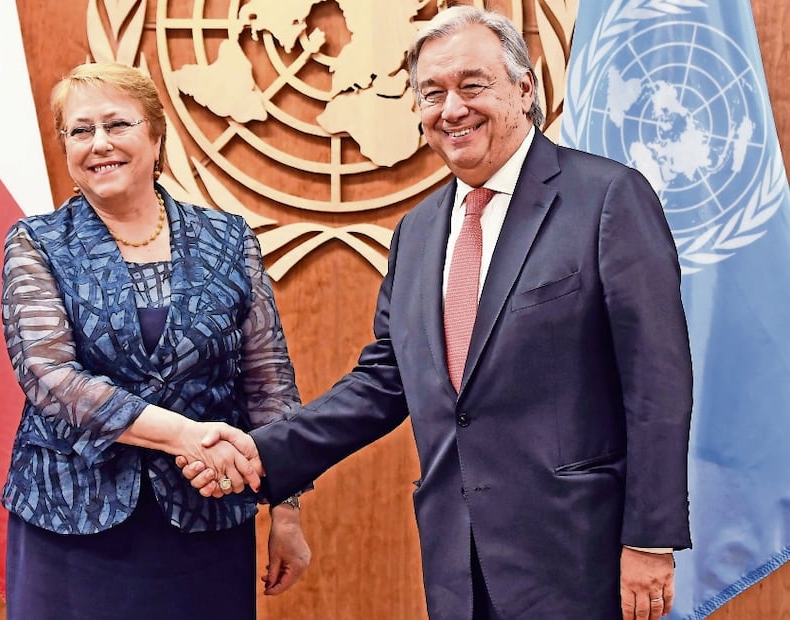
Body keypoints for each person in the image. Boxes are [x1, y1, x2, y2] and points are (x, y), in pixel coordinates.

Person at [181, 7, 693, 620]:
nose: (452, 108)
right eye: (432, 93)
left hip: (579, 558)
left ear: (523, 89)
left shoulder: (607, 198)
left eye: (472, 85)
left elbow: (657, 383)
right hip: (458, 564)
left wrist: (649, 539)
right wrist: (263, 453)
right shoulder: (418, 231)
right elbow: (384, 381)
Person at [0, 62, 310, 620]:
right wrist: (184, 436)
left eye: (118, 125)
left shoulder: (228, 239)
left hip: (205, 523)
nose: (100, 144)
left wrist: (285, 511)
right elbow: (51, 378)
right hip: (72, 521)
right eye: (81, 130)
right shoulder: (37, 242)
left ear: (156, 135)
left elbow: (268, 379)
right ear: (65, 145)